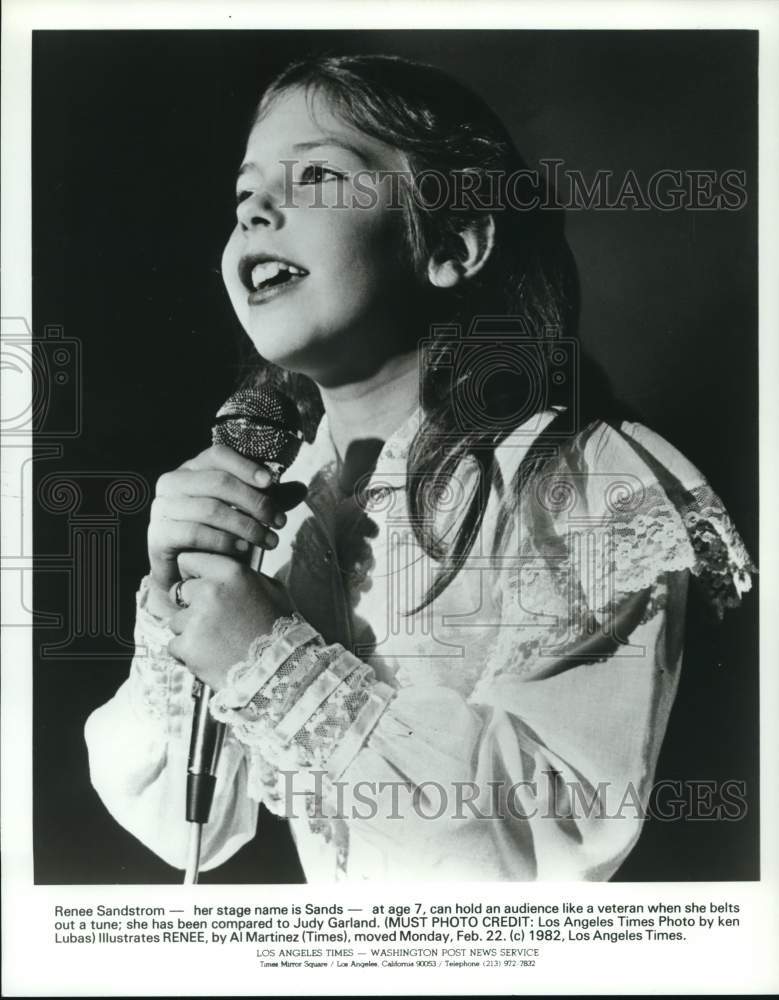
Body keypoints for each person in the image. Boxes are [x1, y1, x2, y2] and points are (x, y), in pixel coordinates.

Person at [84, 54, 754, 881]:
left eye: (318, 176)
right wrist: (179, 607)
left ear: (453, 242)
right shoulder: (288, 506)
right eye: (243, 194)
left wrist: (276, 662)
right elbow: (186, 826)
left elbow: (529, 864)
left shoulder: (581, 487)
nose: (255, 210)